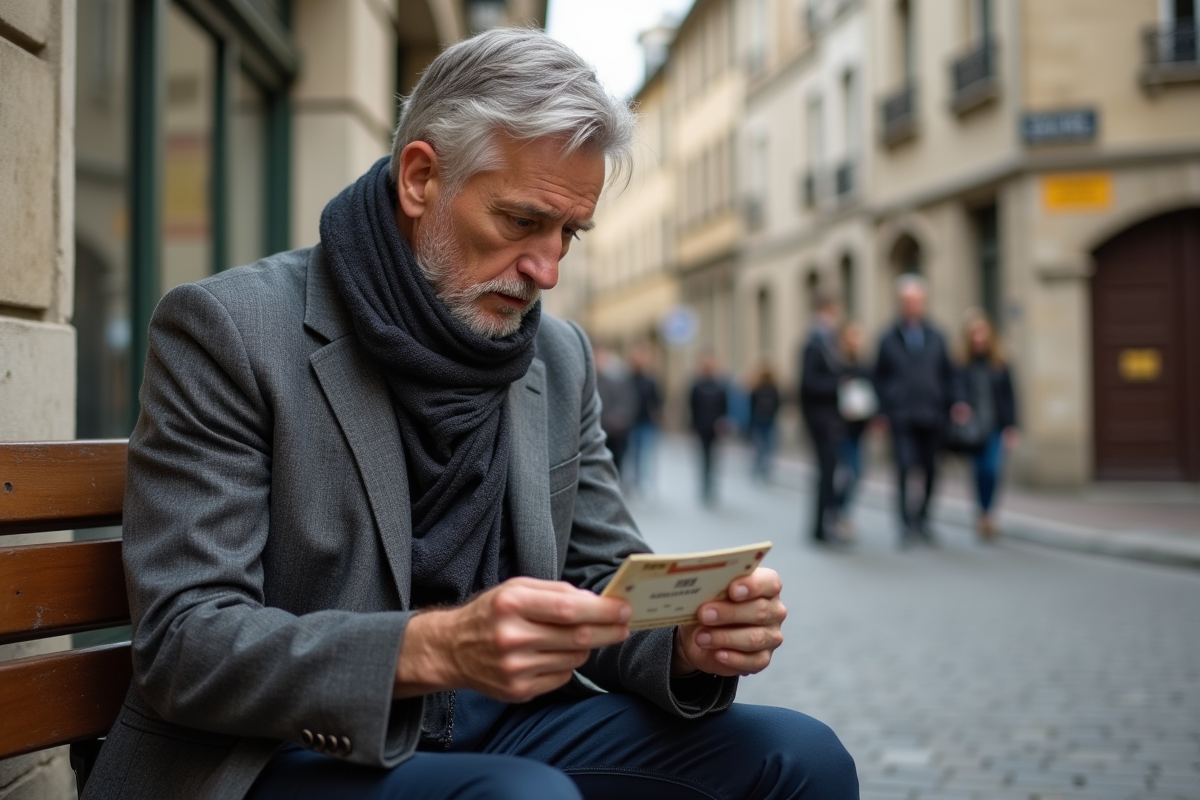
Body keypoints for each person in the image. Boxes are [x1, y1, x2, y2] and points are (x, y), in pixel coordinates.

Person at [82, 29, 856, 800]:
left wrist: (685, 638)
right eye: (521, 222)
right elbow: (185, 641)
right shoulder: (229, 329)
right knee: (521, 798)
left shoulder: (555, 356)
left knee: (800, 756)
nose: (546, 269)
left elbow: (600, 581)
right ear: (421, 178)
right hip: (282, 749)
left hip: (507, 726)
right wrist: (433, 649)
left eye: (568, 234)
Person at [873, 274, 967, 547]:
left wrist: (957, 402)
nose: (912, 306)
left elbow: (950, 374)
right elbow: (877, 376)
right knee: (904, 468)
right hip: (901, 415)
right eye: (907, 301)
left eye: (916, 301)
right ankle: (904, 523)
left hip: (932, 414)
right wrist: (882, 408)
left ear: (923, 303)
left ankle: (923, 519)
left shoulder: (937, 336)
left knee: (930, 470)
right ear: (900, 303)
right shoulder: (888, 338)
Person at [959, 311, 1018, 540]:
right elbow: (956, 391)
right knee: (978, 471)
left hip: (995, 426)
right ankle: (981, 514)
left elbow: (1011, 396)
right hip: (973, 429)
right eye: (974, 333)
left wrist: (1012, 426)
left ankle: (988, 513)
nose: (978, 338)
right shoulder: (963, 364)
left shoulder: (1000, 363)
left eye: (982, 332)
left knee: (992, 470)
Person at [799, 292, 848, 544]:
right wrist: (838, 384)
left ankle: (825, 523)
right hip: (822, 420)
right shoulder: (815, 342)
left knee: (830, 472)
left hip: (829, 418)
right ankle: (821, 526)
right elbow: (808, 383)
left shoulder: (827, 341)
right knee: (826, 472)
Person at [833, 321, 873, 537]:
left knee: (856, 472)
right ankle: (839, 511)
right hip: (841, 428)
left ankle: (841, 511)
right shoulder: (837, 364)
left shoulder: (864, 364)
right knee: (848, 472)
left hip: (859, 427)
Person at [688, 352, 729, 506]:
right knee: (703, 457)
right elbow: (692, 406)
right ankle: (704, 487)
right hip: (701, 426)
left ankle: (712, 487)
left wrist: (724, 423)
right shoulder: (697, 384)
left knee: (714, 458)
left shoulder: (720, 384)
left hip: (715, 427)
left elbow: (724, 406)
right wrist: (692, 425)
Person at [593, 345, 638, 479]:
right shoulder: (593, 376)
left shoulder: (619, 377)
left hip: (615, 430)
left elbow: (628, 402)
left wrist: (619, 419)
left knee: (616, 461)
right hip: (598, 427)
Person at [626, 343, 662, 492]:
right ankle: (633, 480)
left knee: (646, 453)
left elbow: (657, 400)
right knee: (632, 453)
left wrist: (659, 415)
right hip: (631, 422)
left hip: (647, 421)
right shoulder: (627, 378)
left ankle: (643, 482)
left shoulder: (651, 380)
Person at [748, 365, 781, 481]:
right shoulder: (759, 389)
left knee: (764, 446)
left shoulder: (767, 389)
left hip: (765, 420)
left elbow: (777, 404)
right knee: (763, 446)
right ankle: (761, 468)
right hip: (763, 420)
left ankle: (762, 468)